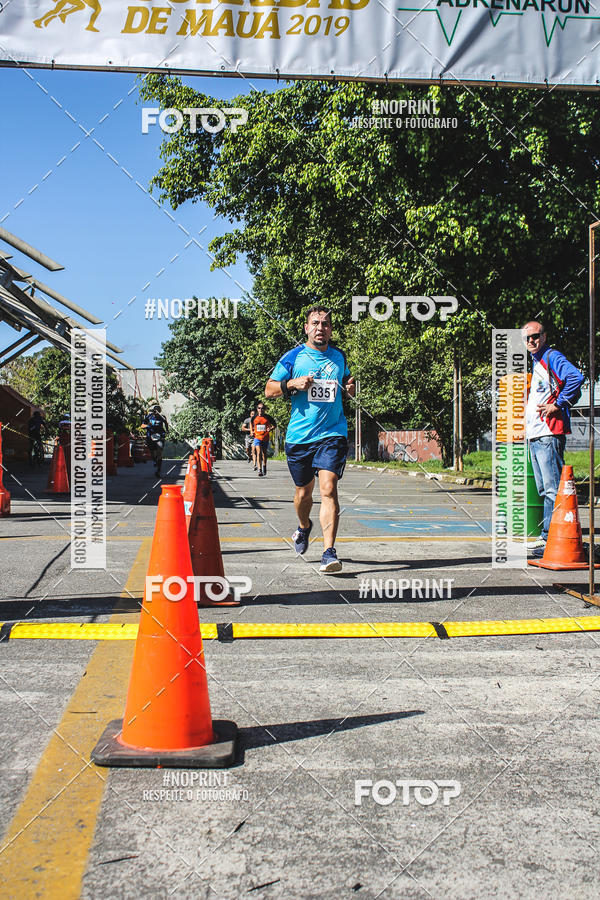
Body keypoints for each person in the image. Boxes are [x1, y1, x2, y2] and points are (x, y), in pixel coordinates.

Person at [265, 305, 355, 573]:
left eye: (325, 324)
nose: (320, 328)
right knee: (304, 494)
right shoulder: (293, 357)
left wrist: (350, 388)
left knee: (328, 488)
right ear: (306, 328)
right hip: (300, 437)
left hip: (332, 433)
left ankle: (328, 552)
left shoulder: (339, 357)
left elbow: (347, 383)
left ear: (331, 329)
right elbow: (269, 390)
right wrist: (292, 384)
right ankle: (304, 527)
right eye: (315, 323)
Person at [523, 320, 584, 558]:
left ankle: (549, 538)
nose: (531, 341)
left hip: (549, 433)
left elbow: (575, 378)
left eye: (535, 336)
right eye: (527, 338)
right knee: (543, 488)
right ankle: (547, 537)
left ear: (544, 336)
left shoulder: (552, 357)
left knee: (552, 489)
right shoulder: (537, 363)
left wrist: (558, 404)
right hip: (536, 435)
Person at [141, 404, 169, 477]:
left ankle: (158, 470)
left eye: (158, 410)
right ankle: (154, 460)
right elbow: (142, 425)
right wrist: (148, 425)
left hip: (160, 435)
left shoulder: (162, 417)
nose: (156, 412)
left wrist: (167, 430)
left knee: (160, 449)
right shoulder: (149, 417)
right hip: (150, 436)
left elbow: (166, 423)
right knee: (152, 452)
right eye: (155, 410)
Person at [251, 403, 276, 477]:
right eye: (259, 408)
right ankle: (259, 469)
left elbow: (275, 425)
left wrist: (270, 428)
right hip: (257, 438)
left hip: (265, 437)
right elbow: (251, 423)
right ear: (257, 409)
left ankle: (264, 466)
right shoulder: (254, 417)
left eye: (262, 408)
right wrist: (251, 431)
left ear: (264, 409)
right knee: (258, 452)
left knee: (264, 453)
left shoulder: (268, 417)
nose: (260, 410)